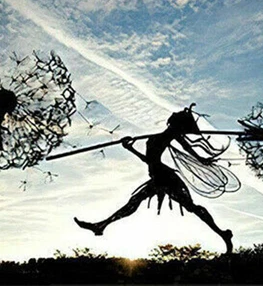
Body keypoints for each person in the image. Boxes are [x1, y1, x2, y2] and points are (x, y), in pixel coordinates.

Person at [75, 105, 234, 254]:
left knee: (190, 207)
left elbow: (185, 148)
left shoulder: (171, 135)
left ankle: (223, 234)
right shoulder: (161, 136)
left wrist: (201, 159)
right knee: (134, 203)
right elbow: (149, 160)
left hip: (165, 178)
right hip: (158, 176)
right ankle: (101, 226)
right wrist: (130, 148)